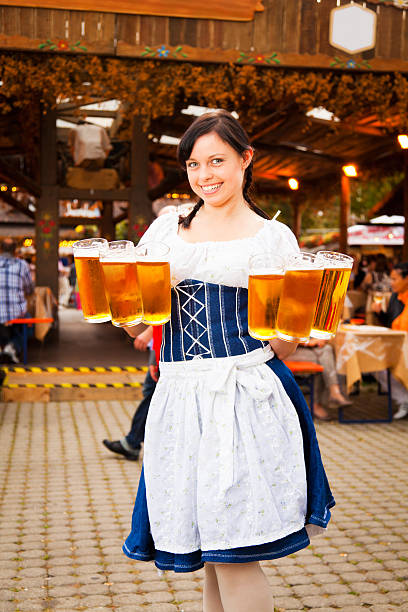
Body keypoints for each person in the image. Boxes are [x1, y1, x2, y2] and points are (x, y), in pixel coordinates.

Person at [121, 111, 334, 611]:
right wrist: (134, 304)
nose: (205, 175)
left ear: (245, 160)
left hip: (245, 398)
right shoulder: (166, 228)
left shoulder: (272, 239)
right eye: (194, 164)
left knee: (236, 551)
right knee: (214, 553)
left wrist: (295, 326)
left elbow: (282, 343)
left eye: (217, 160)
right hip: (178, 399)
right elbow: (134, 326)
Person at [103, 325, 159, 460]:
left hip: (166, 347)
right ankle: (133, 442)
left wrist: (149, 333)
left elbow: (169, 310)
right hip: (160, 345)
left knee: (153, 396)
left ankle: (133, 443)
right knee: (152, 394)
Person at [372, 261, 408, 419]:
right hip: (396, 345)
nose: (391, 283)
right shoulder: (395, 297)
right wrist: (379, 313)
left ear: (406, 279)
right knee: (374, 362)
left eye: (394, 279)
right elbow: (390, 323)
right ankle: (404, 400)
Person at [292, 338, 351, 420]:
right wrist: (308, 342)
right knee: (324, 359)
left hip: (301, 348)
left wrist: (319, 339)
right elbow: (280, 336)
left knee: (327, 350)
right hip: (286, 352)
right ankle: (332, 394)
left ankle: (332, 393)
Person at [0, 238, 34, 363]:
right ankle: (13, 347)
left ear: (1, 249)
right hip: (16, 312)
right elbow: (30, 289)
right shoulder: (22, 265)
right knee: (29, 323)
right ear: (15, 251)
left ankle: (5, 346)